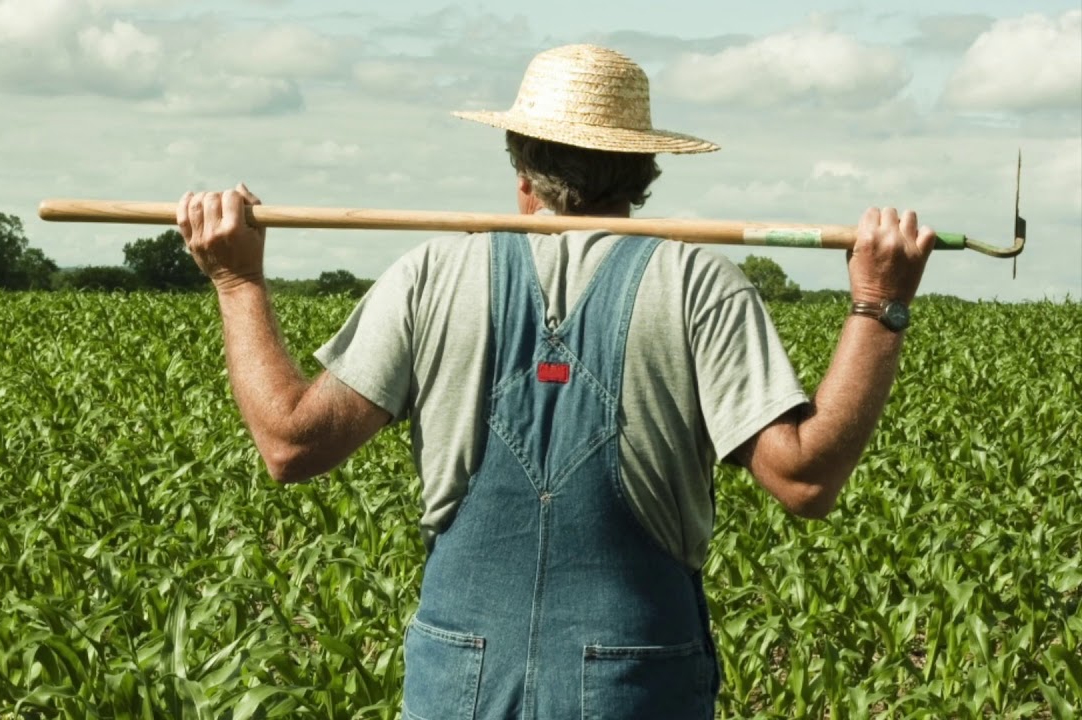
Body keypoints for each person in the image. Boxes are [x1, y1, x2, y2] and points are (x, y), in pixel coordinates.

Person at [176, 44, 934, 719]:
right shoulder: (699, 284)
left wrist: (238, 282)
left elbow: (290, 443)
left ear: (521, 168)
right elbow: (804, 479)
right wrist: (879, 305)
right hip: (637, 681)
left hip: (458, 679)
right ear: (642, 171)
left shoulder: (434, 275)